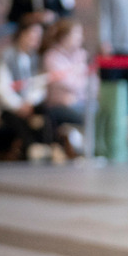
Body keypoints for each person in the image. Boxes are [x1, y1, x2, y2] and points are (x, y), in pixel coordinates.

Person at [0, 20, 50, 161]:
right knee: (15, 118)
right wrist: (19, 105)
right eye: (33, 34)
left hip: (29, 103)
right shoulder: (7, 56)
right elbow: (3, 88)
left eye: (39, 36)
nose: (36, 39)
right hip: (10, 106)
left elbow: (40, 86)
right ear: (22, 34)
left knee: (47, 112)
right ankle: (30, 148)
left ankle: (49, 145)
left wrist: (29, 102)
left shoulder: (35, 58)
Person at [41, 18, 89, 159]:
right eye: (77, 34)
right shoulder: (52, 57)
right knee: (86, 117)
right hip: (58, 106)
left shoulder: (80, 56)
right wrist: (79, 78)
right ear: (65, 37)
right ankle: (79, 148)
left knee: (100, 112)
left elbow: (89, 83)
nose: (81, 38)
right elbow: (69, 83)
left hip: (80, 102)